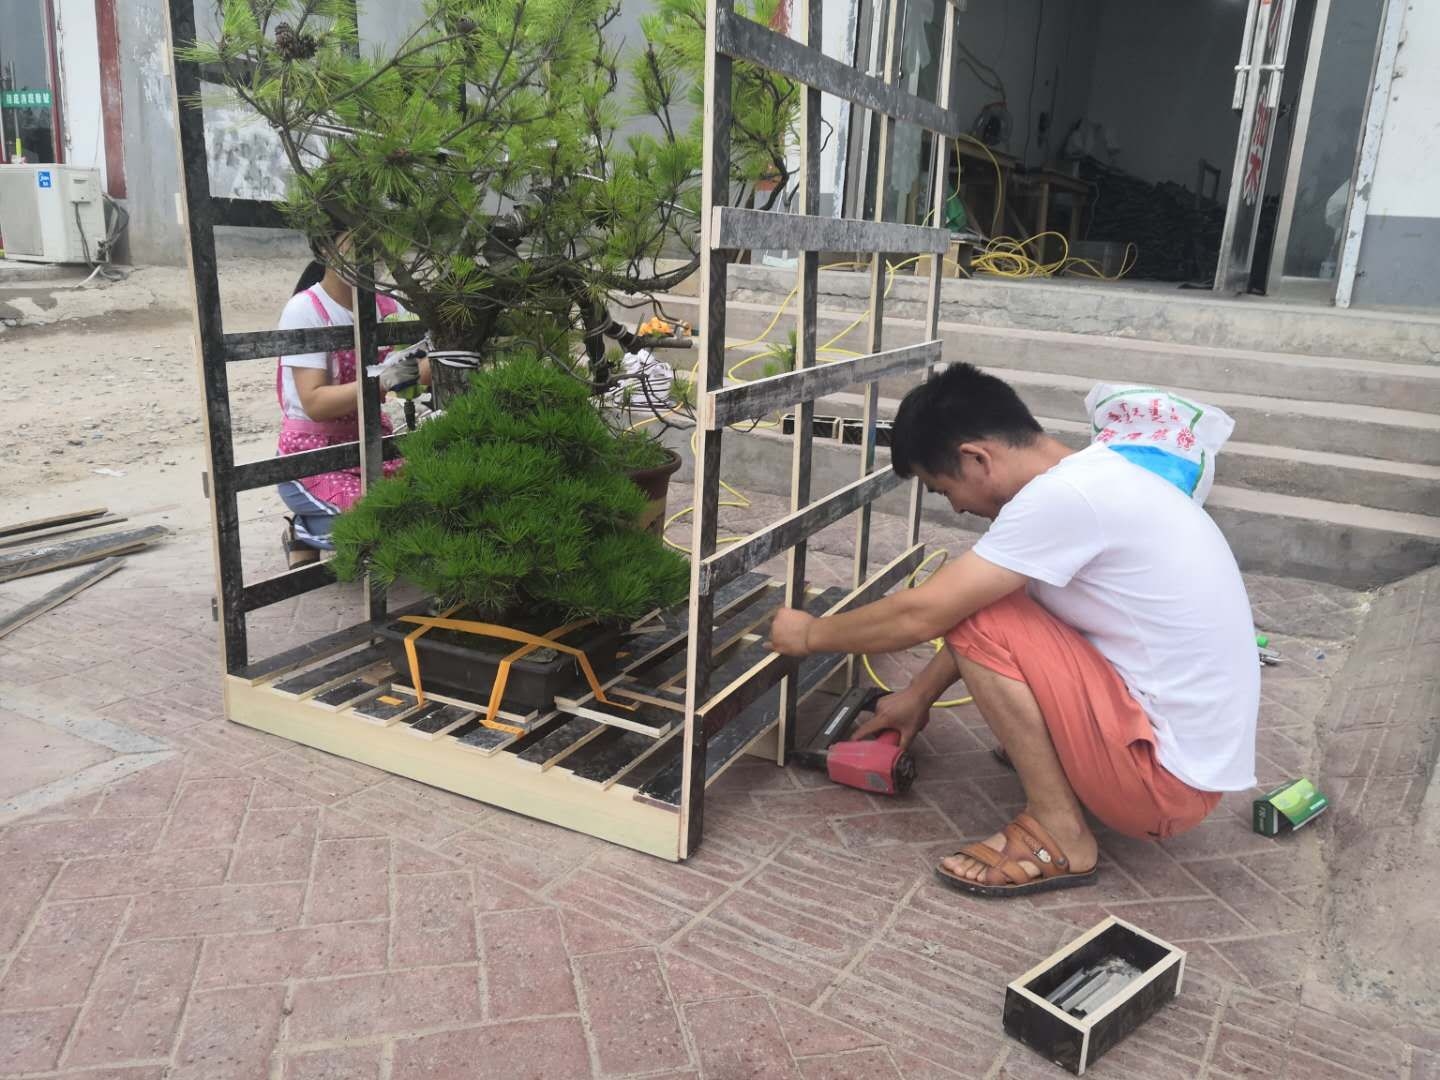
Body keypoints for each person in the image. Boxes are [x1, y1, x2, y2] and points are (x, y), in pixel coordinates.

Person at [767, 363, 1258, 898]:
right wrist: (917, 697)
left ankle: (1059, 833)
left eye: (943, 489)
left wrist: (809, 635)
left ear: (976, 459)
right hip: (1184, 764)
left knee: (973, 610)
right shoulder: (1099, 476)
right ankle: (1078, 766)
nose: (957, 506)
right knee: (987, 598)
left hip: (1159, 787)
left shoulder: (1063, 499)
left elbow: (924, 614)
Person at [277, 249, 429, 567]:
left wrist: (432, 365)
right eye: (353, 242)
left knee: (427, 505)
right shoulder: (306, 309)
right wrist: (388, 379)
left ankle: (319, 523)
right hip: (315, 456)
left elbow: (417, 373)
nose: (365, 252)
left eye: (373, 242)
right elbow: (315, 403)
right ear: (325, 247)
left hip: (374, 443)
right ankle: (304, 530)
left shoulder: (389, 308)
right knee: (374, 524)